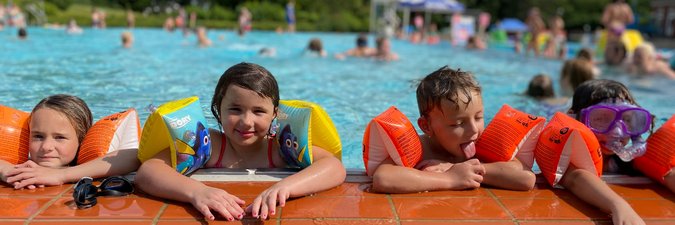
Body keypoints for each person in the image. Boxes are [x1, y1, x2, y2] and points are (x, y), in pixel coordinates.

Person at [134, 62, 345, 221]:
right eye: (235, 110)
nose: (246, 122)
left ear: (275, 114)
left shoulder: (281, 148)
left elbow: (334, 167)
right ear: (218, 109)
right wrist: (196, 191)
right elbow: (148, 171)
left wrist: (285, 187)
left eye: (259, 111)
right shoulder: (211, 145)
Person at [371, 66, 536, 193]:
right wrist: (449, 178)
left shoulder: (482, 143)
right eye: (458, 124)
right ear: (427, 126)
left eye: (478, 118)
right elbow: (382, 178)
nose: (473, 130)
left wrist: (457, 169)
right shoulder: (420, 149)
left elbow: (526, 178)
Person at [1, 94, 140, 189]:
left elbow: (135, 155)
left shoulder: (89, 164)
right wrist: (7, 170)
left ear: (81, 140)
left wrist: (61, 175)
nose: (46, 147)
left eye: (59, 137)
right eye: (38, 136)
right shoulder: (25, 165)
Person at [563, 79, 650, 225]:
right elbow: (574, 177)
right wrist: (619, 206)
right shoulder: (571, 152)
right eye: (601, 119)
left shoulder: (634, 159)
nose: (616, 131)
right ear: (575, 119)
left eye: (627, 119)